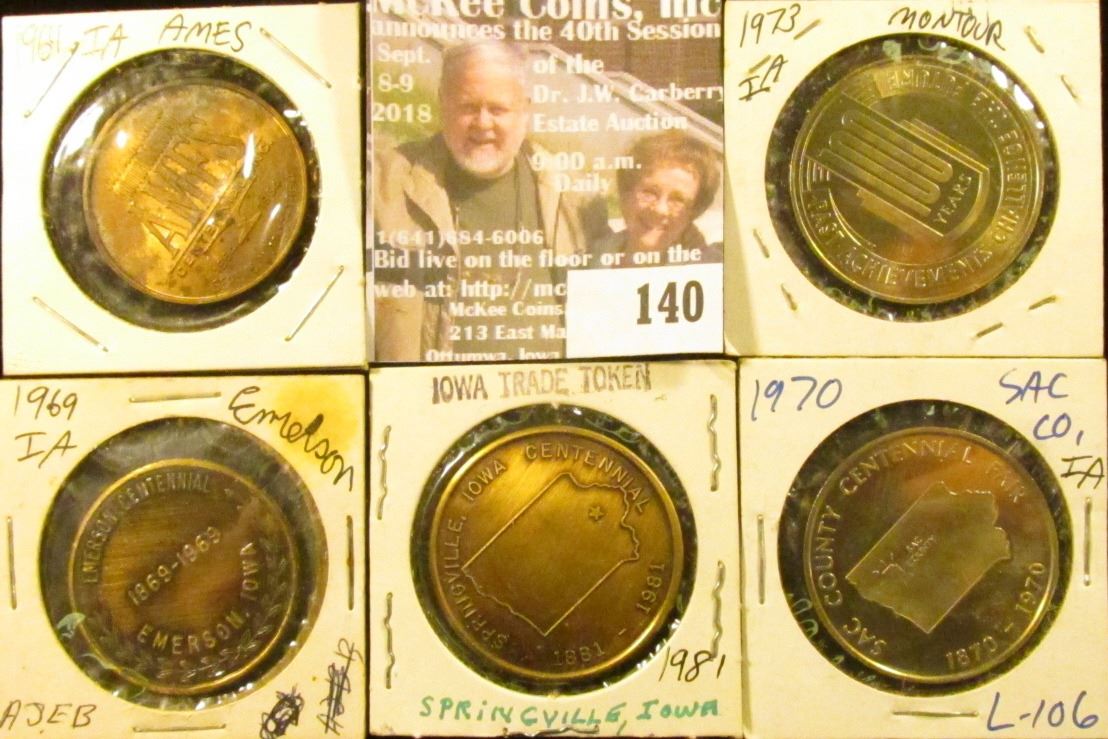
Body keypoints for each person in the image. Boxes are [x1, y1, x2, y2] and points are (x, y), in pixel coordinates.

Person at [372, 40, 607, 362]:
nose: (483, 123)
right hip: (429, 391)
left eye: (498, 109)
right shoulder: (383, 185)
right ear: (442, 102)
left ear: (525, 110)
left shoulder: (574, 197)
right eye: (468, 107)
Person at [593, 131, 722, 267]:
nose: (660, 210)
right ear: (626, 193)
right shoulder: (596, 253)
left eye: (678, 200)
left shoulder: (712, 269)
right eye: (650, 192)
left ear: (694, 211)